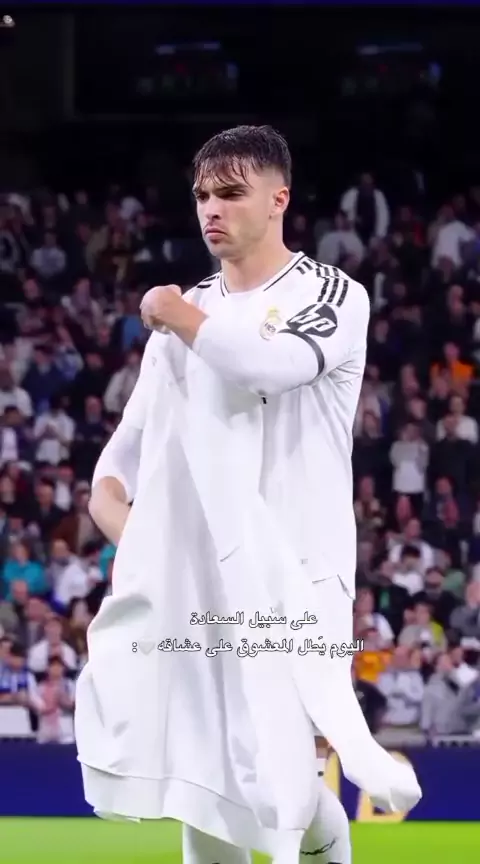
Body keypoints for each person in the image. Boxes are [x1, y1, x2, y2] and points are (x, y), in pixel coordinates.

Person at [83, 126, 420, 864]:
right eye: (202, 194)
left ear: (278, 199)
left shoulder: (332, 295)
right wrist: (148, 544)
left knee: (276, 783)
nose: (212, 208)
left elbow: (267, 367)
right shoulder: (184, 312)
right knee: (202, 777)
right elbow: (117, 467)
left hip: (301, 573)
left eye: (231, 193)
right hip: (203, 584)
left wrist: (175, 313)